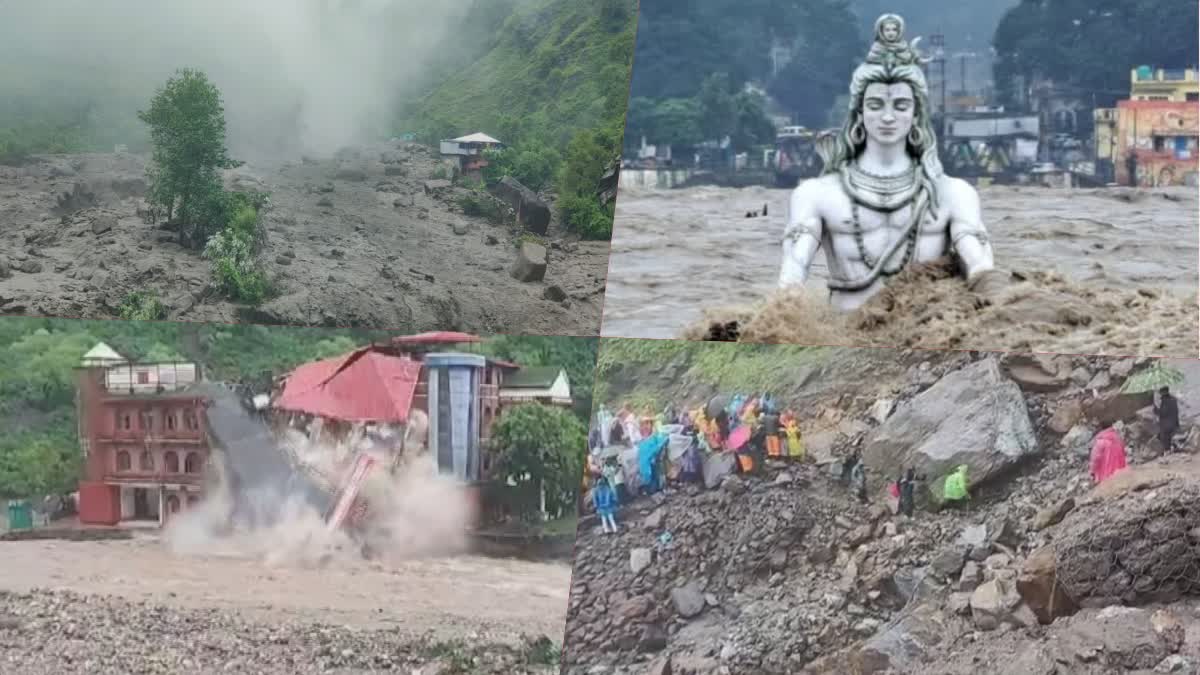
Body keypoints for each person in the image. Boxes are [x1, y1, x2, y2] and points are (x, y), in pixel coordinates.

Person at [777, 13, 1004, 311]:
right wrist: (779, 322)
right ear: (859, 113)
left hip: (924, 338)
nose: (887, 117)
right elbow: (793, 272)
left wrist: (1005, 306)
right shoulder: (816, 194)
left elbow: (980, 268)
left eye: (900, 105)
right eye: (875, 105)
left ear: (915, 114)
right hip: (846, 337)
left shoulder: (953, 194)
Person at [1154, 386, 1180, 454]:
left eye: (1161, 392)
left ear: (1163, 392)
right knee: (1168, 437)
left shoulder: (1165, 400)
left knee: (1164, 437)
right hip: (1174, 422)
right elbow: (1176, 411)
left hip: (1166, 424)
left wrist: (1156, 410)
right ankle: (1173, 447)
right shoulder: (1173, 399)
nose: (1160, 394)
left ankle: (1167, 450)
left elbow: (1163, 413)